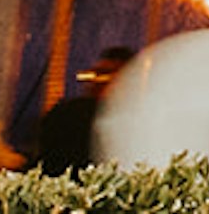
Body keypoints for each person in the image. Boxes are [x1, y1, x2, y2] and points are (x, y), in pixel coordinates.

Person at [26, 43, 131, 174]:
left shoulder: (130, 121)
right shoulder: (69, 115)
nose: (95, 82)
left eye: (105, 75)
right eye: (95, 74)